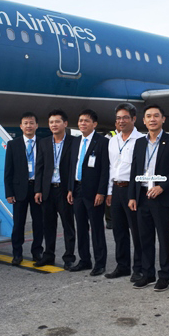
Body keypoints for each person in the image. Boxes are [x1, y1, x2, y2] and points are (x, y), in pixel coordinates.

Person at [128, 105, 169, 292]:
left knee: (163, 238)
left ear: (163, 119)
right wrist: (132, 196)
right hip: (142, 195)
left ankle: (164, 275)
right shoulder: (139, 143)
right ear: (143, 121)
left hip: (161, 197)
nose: (152, 119)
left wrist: (162, 186)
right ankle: (147, 274)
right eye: (148, 116)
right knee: (144, 237)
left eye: (156, 116)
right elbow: (134, 171)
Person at [105, 103, 145, 282]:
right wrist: (108, 191)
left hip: (132, 189)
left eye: (125, 118)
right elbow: (110, 167)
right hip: (116, 189)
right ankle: (122, 266)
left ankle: (139, 268)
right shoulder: (112, 140)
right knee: (119, 231)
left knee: (137, 231)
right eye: (118, 118)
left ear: (134, 119)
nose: (121, 121)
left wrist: (135, 194)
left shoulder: (141, 140)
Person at [67, 109, 110, 276]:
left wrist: (101, 192)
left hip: (94, 192)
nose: (82, 123)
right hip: (77, 189)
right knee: (81, 227)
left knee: (97, 228)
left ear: (94, 124)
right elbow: (72, 166)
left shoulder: (102, 142)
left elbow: (105, 170)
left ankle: (100, 263)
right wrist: (70, 188)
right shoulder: (76, 142)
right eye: (80, 120)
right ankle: (84, 260)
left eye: (86, 120)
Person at [34, 109, 76, 269]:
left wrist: (72, 188)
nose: (54, 125)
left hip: (65, 190)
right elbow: (39, 167)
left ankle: (69, 258)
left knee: (68, 225)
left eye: (57, 121)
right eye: (51, 122)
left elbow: (74, 167)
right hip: (48, 190)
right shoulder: (44, 143)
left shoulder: (73, 142)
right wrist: (38, 190)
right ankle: (48, 255)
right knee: (48, 226)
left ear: (65, 123)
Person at [4, 112, 44, 265]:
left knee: (38, 223)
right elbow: (8, 171)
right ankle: (17, 253)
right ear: (21, 126)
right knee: (19, 224)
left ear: (36, 126)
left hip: (37, 189)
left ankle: (37, 252)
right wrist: (9, 192)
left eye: (31, 123)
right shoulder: (13, 145)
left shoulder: (43, 143)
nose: (29, 126)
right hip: (19, 190)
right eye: (26, 123)